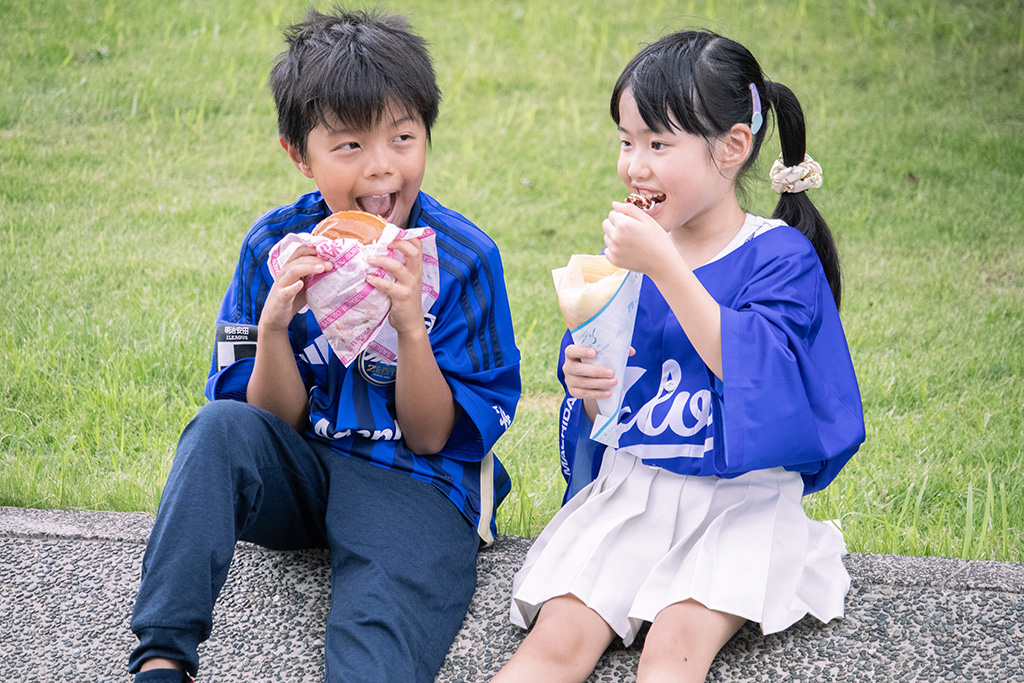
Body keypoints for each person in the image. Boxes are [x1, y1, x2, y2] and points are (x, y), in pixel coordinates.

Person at [128, 8, 521, 682]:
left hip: (415, 484)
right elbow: (264, 423)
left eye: (403, 137)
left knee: (374, 649)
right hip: (305, 468)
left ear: (427, 132)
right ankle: (163, 658)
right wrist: (276, 324)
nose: (382, 168)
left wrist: (409, 326)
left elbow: (433, 437)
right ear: (298, 153)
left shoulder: (462, 259)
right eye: (349, 147)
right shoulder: (271, 249)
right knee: (218, 429)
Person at [494, 29, 864, 683]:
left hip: (739, 499)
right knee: (556, 641)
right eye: (626, 141)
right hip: (637, 489)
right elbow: (613, 372)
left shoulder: (776, 256)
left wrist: (663, 266)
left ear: (732, 147)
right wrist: (581, 376)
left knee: (673, 650)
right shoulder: (642, 248)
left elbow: (758, 371)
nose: (635, 164)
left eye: (659, 144)